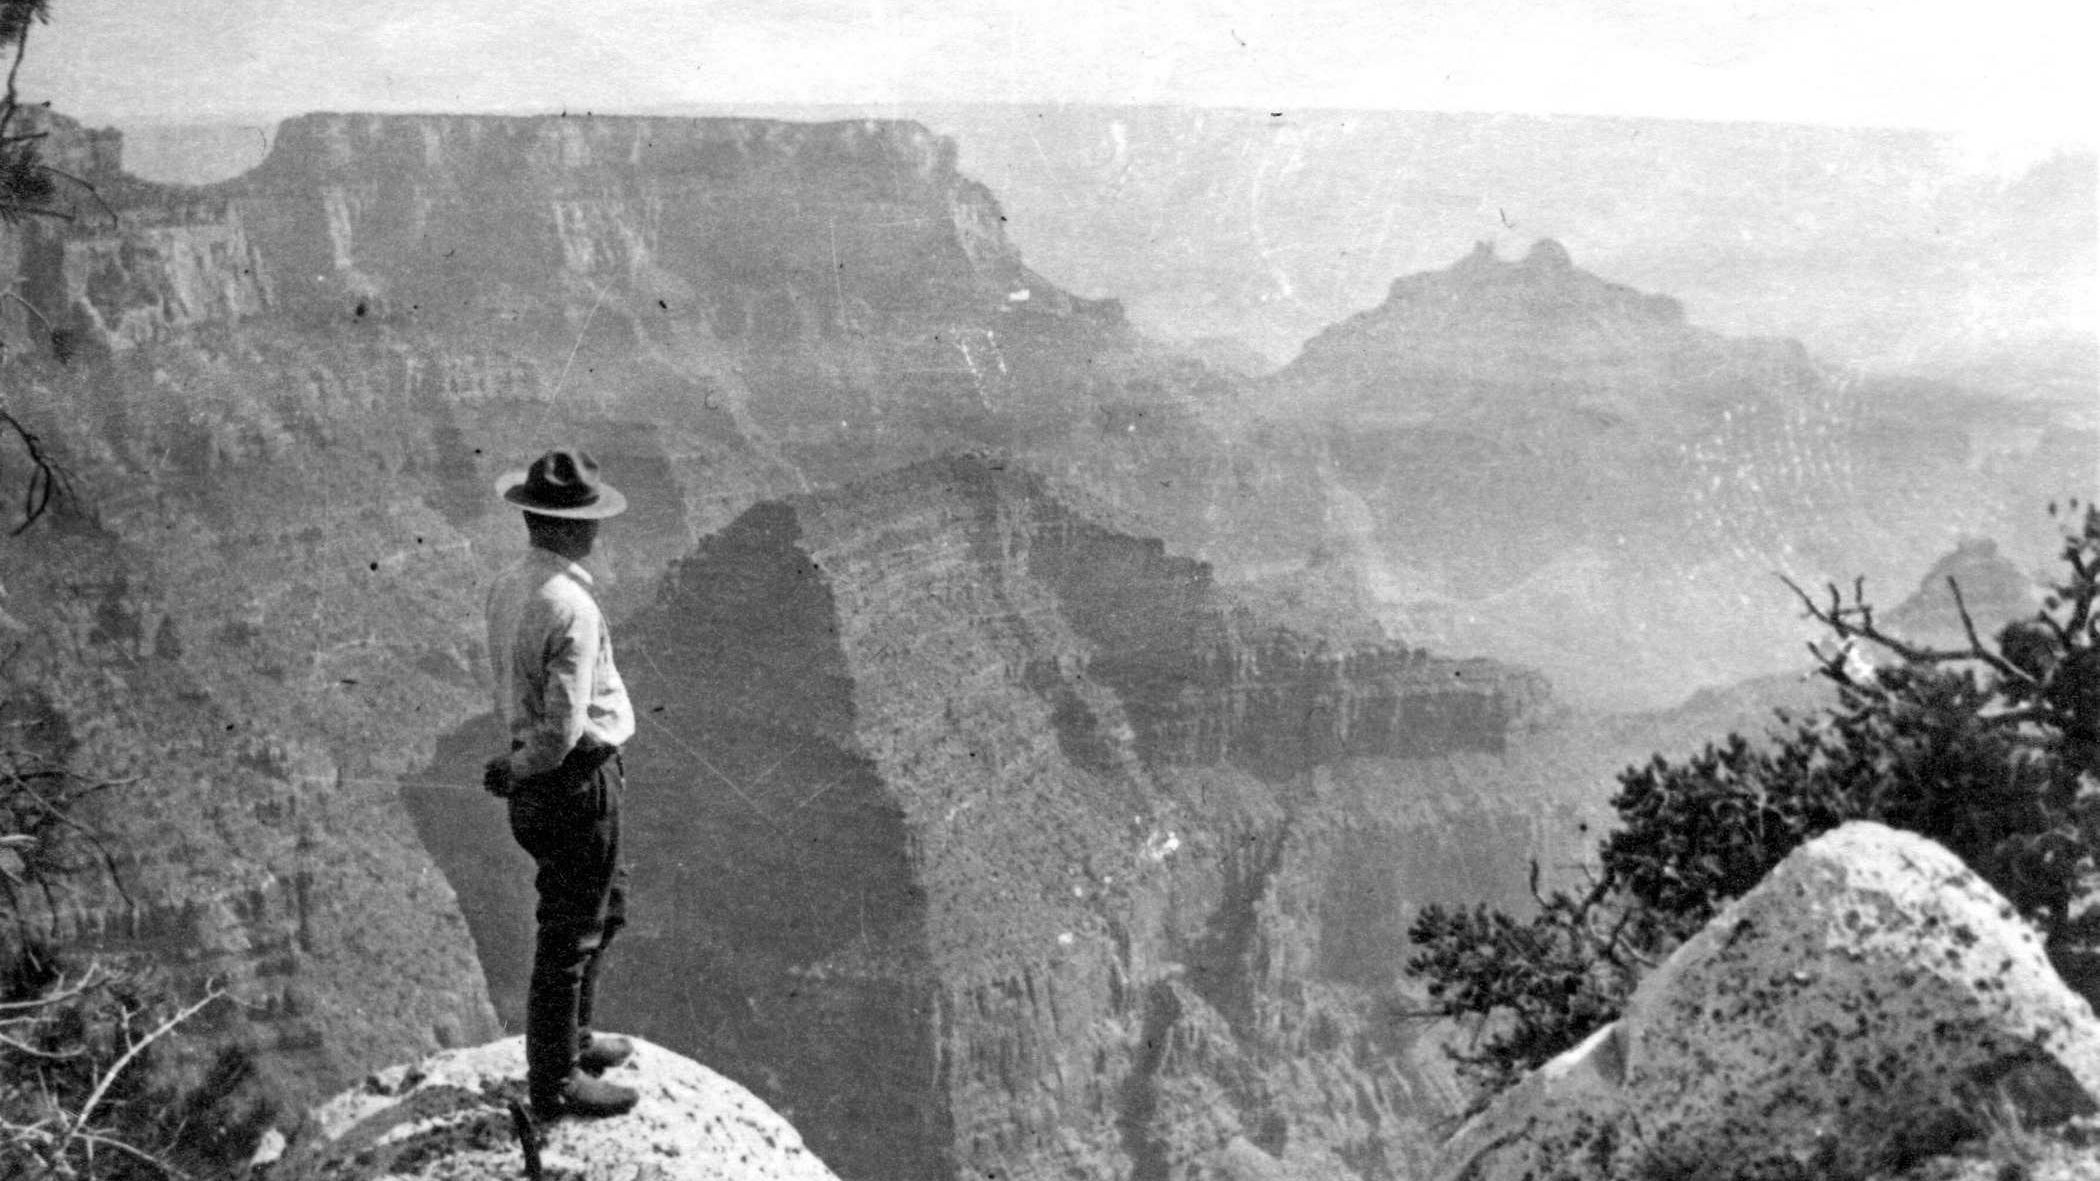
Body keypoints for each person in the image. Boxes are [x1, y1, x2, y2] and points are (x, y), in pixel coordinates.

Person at [482, 448, 640, 1121]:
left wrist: (514, 767)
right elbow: (563, 729)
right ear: (578, 528)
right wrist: (518, 767)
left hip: (537, 784)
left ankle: (574, 1038)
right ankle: (557, 1078)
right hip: (574, 782)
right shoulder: (570, 604)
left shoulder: (509, 585)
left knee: (603, 905)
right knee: (571, 930)